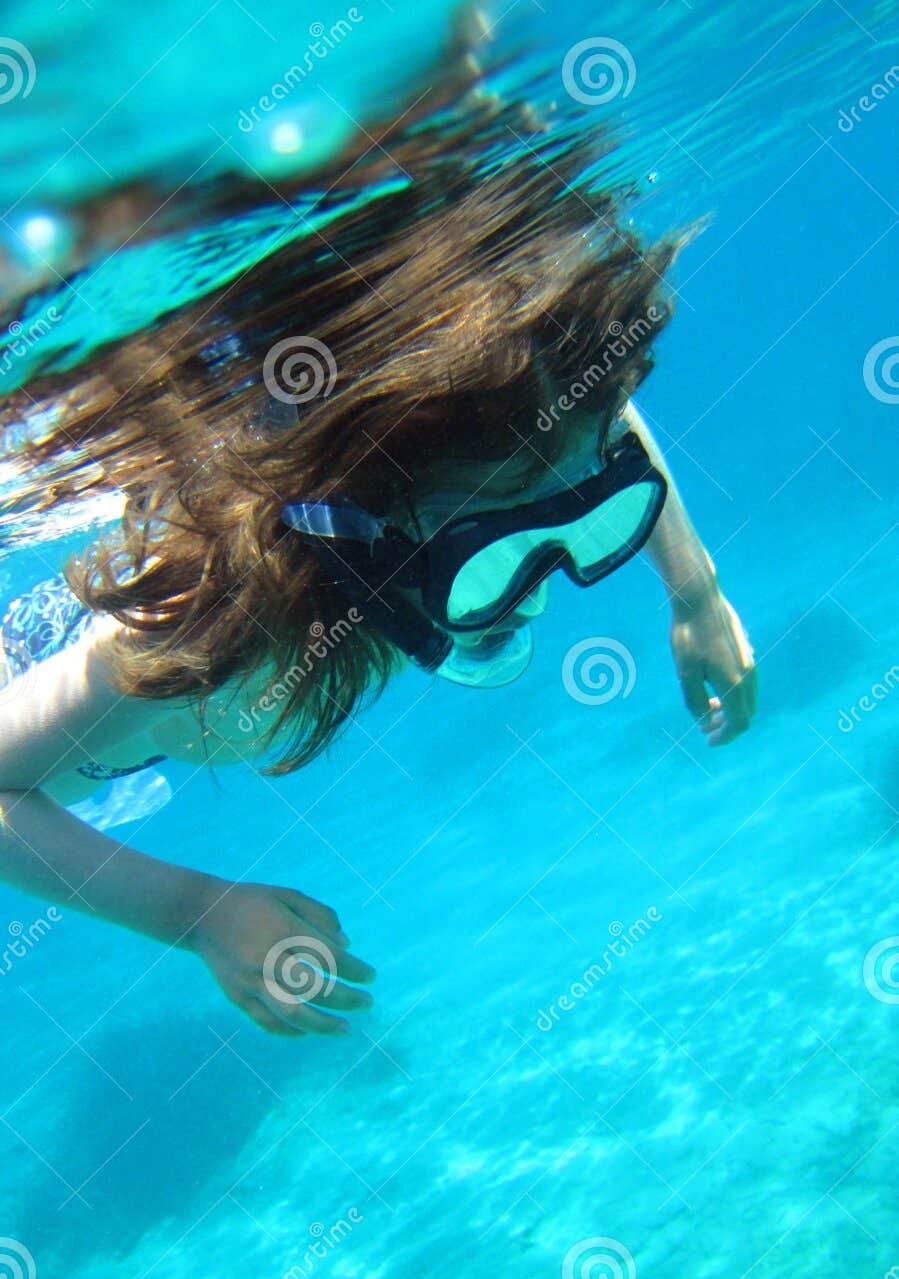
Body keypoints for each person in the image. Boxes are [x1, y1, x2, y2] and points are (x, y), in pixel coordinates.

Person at [0, 50, 756, 1040]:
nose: (545, 587)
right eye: (492, 550)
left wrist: (693, 594)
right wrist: (195, 912)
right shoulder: (217, 636)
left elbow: (586, 423)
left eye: (589, 506)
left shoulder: (522, 416)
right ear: (369, 534)